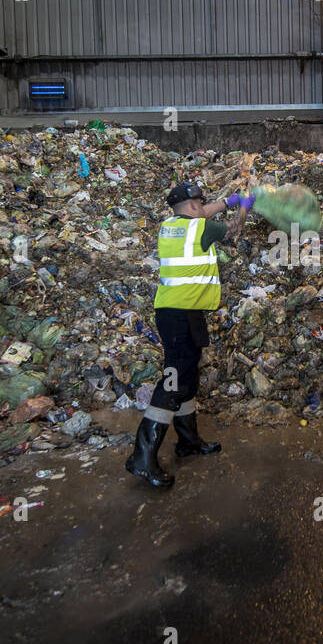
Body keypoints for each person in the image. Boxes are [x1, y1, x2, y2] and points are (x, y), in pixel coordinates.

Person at [125, 181, 254, 488]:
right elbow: (234, 232)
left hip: (182, 313)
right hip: (178, 316)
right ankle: (142, 457)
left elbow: (204, 211)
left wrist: (229, 199)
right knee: (172, 380)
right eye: (201, 204)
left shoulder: (171, 224)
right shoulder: (201, 230)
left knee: (187, 377)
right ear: (194, 207)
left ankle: (188, 440)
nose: (203, 208)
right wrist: (244, 207)